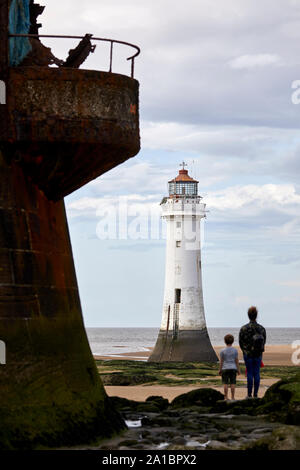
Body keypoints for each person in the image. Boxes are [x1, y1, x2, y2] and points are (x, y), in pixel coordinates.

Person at [239, 306, 266, 399]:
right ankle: (255, 394)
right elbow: (264, 341)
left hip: (248, 354)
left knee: (249, 373)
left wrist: (245, 351)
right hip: (258, 354)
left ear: (248, 315)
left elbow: (240, 342)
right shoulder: (261, 328)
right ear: (256, 315)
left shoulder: (244, 328)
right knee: (257, 373)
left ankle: (249, 394)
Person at [219, 334, 241, 401]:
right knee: (233, 383)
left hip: (225, 368)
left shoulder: (222, 350)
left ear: (225, 341)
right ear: (233, 341)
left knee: (225, 383)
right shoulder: (235, 350)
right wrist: (238, 369)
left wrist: (220, 370)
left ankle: (226, 397)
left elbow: (221, 361)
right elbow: (236, 361)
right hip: (233, 368)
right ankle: (233, 397)